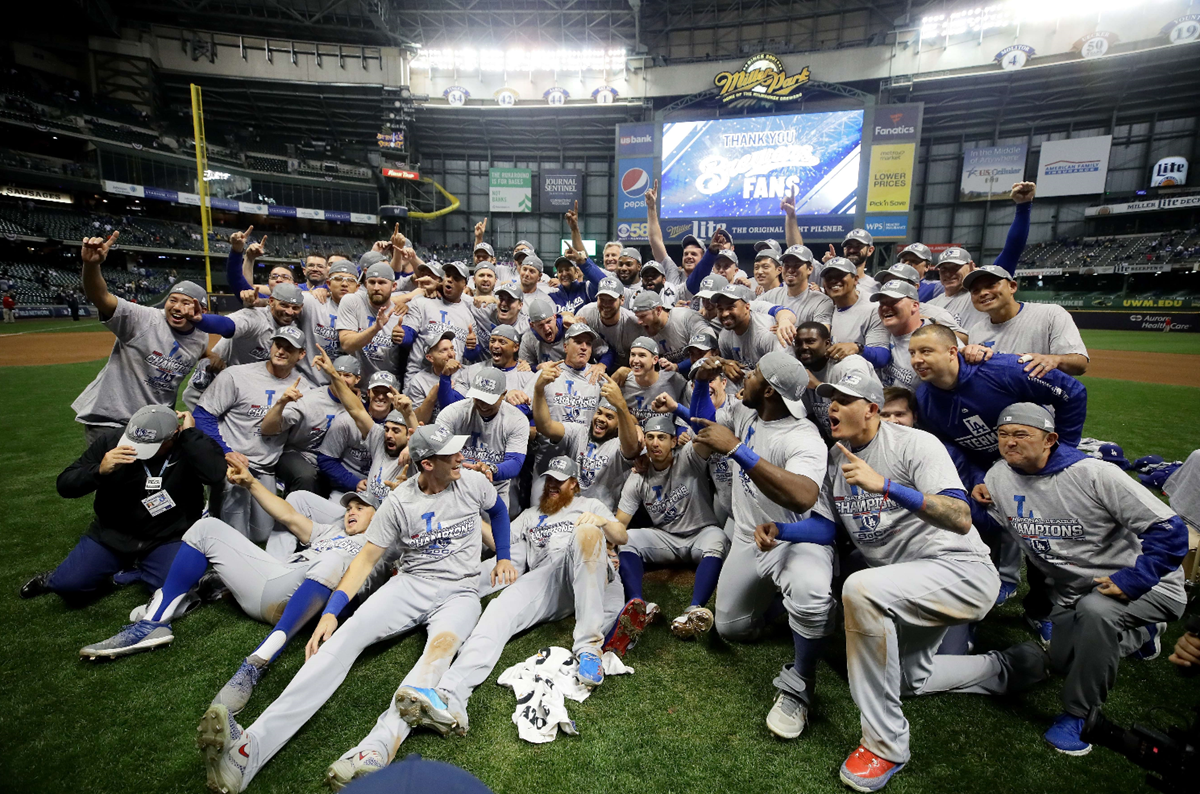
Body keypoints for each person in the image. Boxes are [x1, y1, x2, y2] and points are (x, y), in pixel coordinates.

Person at [197, 424, 517, 793]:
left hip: (460, 592)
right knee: (339, 642)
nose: (462, 457)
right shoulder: (400, 504)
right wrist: (332, 612)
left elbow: (498, 512)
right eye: (451, 454)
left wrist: (503, 557)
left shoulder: (473, 483)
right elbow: (364, 562)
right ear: (428, 464)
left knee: (434, 661)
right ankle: (248, 751)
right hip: (410, 584)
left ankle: (375, 751)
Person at [811, 369, 1002, 792]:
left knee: (860, 588)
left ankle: (885, 745)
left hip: (961, 569)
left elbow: (960, 516)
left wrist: (887, 486)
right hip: (909, 583)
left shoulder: (915, 443)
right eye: (830, 398)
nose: (833, 407)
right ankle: (1004, 670)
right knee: (904, 681)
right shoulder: (834, 458)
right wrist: (779, 531)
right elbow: (828, 530)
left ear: (873, 409)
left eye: (844, 399)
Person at [966, 403, 1189, 756]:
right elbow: (995, 524)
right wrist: (975, 504)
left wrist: (1135, 579)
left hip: (1149, 585)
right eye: (1003, 435)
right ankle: (1141, 635)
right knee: (1062, 662)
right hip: (1074, 591)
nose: (1010, 442)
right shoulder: (998, 476)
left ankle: (1079, 715)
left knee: (1097, 613)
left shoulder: (1093, 474)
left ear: (1050, 439)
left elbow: (1170, 529)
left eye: (1021, 434)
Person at [78, 468, 382, 717]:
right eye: (349, 508)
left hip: (304, 602)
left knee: (331, 560)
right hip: (277, 580)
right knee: (205, 528)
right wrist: (250, 481)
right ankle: (153, 624)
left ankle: (255, 664)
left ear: (379, 515)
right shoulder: (331, 532)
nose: (350, 512)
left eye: (361, 508)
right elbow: (289, 516)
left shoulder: (380, 549)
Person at [392, 455, 631, 739]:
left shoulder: (589, 505)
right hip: (551, 576)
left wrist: (602, 521)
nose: (552, 485)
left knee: (588, 533)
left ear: (574, 484)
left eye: (560, 481)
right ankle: (450, 695)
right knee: (498, 609)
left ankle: (589, 648)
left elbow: (622, 536)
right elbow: (499, 540)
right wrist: (469, 513)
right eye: (549, 480)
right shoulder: (531, 515)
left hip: (591, 574)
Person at [689, 352, 832, 742]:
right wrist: (701, 383)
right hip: (746, 533)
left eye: (752, 375)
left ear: (768, 389)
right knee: (731, 628)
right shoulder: (747, 412)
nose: (744, 378)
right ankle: (790, 614)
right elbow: (703, 426)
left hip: (794, 537)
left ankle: (801, 681)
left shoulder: (802, 436)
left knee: (811, 591)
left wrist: (738, 450)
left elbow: (803, 497)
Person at [910, 322, 1087, 621]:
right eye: (912, 353)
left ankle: (1042, 613)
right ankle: (985, 594)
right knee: (979, 530)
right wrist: (982, 479)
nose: (917, 359)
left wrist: (1060, 452)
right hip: (987, 471)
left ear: (953, 352)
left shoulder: (1002, 369)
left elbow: (1072, 392)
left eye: (926, 351)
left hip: (1036, 467)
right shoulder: (925, 399)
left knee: (1044, 542)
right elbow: (952, 446)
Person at [20, 405, 226, 601]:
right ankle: (64, 577)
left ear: (174, 436)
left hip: (167, 536)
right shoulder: (112, 441)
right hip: (113, 533)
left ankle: (134, 572)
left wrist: (190, 434)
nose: (138, 449)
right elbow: (64, 485)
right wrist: (99, 471)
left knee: (174, 590)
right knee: (69, 585)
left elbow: (215, 474)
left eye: (150, 445)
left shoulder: (189, 445)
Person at [71, 231, 232, 446]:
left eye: (186, 303)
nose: (176, 307)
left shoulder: (200, 336)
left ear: (200, 310)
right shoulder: (142, 318)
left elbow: (195, 348)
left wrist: (212, 355)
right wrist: (91, 265)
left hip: (154, 423)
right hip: (112, 421)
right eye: (172, 300)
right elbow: (100, 297)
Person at [193, 326, 313, 550]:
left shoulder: (304, 388)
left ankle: (220, 510)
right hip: (232, 463)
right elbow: (203, 415)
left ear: (301, 354)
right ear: (271, 345)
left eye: (289, 348)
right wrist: (226, 451)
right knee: (235, 540)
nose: (281, 351)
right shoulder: (237, 375)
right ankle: (215, 507)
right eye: (278, 345)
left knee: (262, 535)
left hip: (265, 467)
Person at [616, 414, 729, 639]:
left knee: (719, 538)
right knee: (628, 539)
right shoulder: (638, 476)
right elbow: (620, 523)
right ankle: (638, 604)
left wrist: (681, 409)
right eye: (650, 437)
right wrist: (609, 545)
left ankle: (694, 610)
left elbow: (709, 432)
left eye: (661, 437)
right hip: (666, 538)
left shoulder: (689, 457)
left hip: (701, 533)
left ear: (674, 441)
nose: (655, 443)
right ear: (644, 441)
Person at [928, 182, 1034, 332]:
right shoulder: (932, 304)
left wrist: (1023, 207)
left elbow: (1012, 249)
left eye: (955, 267)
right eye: (943, 269)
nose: (948, 273)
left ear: (971, 266)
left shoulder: (981, 295)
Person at [532, 363, 640, 510]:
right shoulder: (579, 432)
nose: (601, 418)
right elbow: (546, 426)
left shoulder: (619, 445)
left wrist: (621, 405)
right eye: (599, 412)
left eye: (609, 417)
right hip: (570, 511)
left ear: (618, 426)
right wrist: (539, 391)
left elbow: (632, 446)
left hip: (602, 517)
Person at [962, 263, 1089, 377]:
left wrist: (1055, 360)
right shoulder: (976, 331)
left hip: (1041, 401)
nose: (983, 293)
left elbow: (1081, 363)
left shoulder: (1051, 314)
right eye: (975, 290)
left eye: (991, 285)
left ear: (1012, 287)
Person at [433, 366, 530, 511]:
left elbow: (515, 462)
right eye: (478, 398)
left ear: (503, 394)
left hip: (494, 488)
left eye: (488, 399)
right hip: (456, 487)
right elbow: (437, 451)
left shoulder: (516, 419)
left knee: (493, 531)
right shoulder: (453, 413)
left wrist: (490, 469)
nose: (483, 404)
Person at [318, 371, 402, 500]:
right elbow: (326, 459)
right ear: (368, 393)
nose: (380, 397)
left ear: (394, 396)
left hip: (385, 491)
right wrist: (353, 482)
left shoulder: (401, 428)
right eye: (376, 391)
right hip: (346, 488)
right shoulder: (346, 421)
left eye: (386, 392)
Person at [337, 261, 402, 382]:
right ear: (366, 284)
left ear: (394, 286)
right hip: (355, 385)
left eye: (382, 282)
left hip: (387, 387)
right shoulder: (352, 301)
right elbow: (347, 345)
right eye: (372, 282)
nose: (376, 287)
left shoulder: (400, 313)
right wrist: (375, 328)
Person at [822, 256, 891, 370]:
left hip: (860, 381)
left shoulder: (872, 309)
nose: (834, 280)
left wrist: (857, 348)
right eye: (829, 277)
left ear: (855, 280)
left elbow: (882, 356)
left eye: (840, 275)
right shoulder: (824, 306)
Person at [760, 244, 834, 326]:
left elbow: (822, 334)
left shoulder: (821, 301)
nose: (790, 270)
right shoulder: (771, 295)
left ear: (809, 269)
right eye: (787, 265)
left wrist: (787, 330)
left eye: (797, 265)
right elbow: (750, 308)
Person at [617, 336, 686, 425]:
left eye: (642, 355)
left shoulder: (674, 379)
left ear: (655, 360)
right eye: (633, 355)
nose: (635, 360)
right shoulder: (623, 379)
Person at [575, 276, 642, 366]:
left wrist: (628, 372)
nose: (606, 304)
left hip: (626, 370)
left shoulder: (633, 323)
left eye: (611, 300)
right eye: (602, 299)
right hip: (593, 367)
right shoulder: (586, 313)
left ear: (622, 300)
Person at [821, 228, 879, 294]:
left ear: (870, 250)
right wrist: (831, 267)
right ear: (844, 249)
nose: (852, 250)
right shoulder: (830, 281)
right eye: (849, 246)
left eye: (858, 246)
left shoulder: (875, 287)